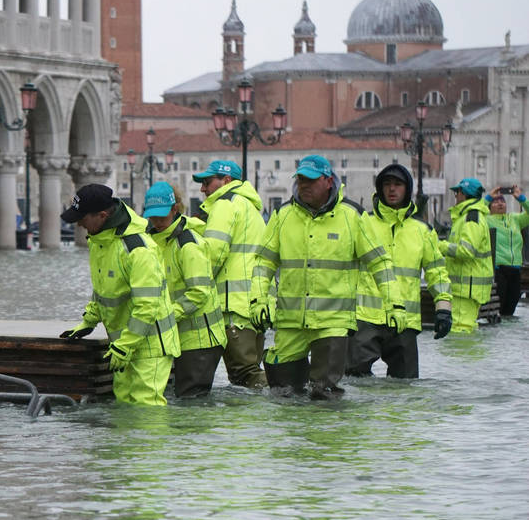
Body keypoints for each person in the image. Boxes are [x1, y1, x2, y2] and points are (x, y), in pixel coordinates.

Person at [251, 155, 404, 399]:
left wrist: (395, 305)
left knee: (324, 394)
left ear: (328, 181)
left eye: (311, 180)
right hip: (290, 320)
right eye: (300, 180)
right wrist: (258, 301)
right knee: (282, 393)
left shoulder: (352, 216)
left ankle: (328, 435)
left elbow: (380, 263)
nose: (304, 185)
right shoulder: (283, 215)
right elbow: (263, 263)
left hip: (333, 322)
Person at [59, 183, 181, 406]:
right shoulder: (100, 241)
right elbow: (104, 290)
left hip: (150, 345)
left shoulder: (138, 249)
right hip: (122, 344)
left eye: (83, 218)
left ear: (102, 215)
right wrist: (88, 322)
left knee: (147, 409)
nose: (78, 223)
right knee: (124, 407)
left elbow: (147, 306)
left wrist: (125, 345)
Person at [347, 164, 453, 379]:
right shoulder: (363, 224)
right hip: (366, 320)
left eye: (398, 184)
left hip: (405, 321)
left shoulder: (422, 231)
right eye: (387, 184)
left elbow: (437, 273)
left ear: (408, 189)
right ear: (379, 188)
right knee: (353, 383)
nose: (392, 190)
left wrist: (443, 308)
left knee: (405, 387)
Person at [143, 181, 227, 398]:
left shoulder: (188, 244)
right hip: (175, 335)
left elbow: (199, 292)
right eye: (153, 216)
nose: (158, 221)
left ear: (175, 209)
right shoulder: (151, 242)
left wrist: (167, 315)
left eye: (162, 216)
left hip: (201, 339)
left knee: (191, 400)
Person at [193, 160, 269, 388]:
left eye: (208, 182)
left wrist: (193, 288)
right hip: (252, 306)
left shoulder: (224, 205)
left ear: (227, 181)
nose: (203, 189)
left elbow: (213, 256)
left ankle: (290, 402)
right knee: (251, 371)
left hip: (232, 306)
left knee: (245, 375)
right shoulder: (250, 208)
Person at [438, 178, 493, 333]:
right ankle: (467, 357)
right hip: (465, 288)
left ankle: (465, 357)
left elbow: (467, 251)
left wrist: (439, 246)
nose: (455, 196)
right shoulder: (467, 217)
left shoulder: (471, 218)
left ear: (463, 193)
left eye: (457, 192)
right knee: (463, 330)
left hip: (466, 289)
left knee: (460, 330)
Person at [484, 185, 529, 316]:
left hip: (515, 269)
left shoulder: (515, 219)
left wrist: (520, 198)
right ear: (490, 206)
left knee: (511, 308)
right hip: (499, 269)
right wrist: (488, 197)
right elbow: (475, 212)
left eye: (502, 201)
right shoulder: (486, 220)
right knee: (499, 307)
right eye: (496, 201)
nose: (500, 204)